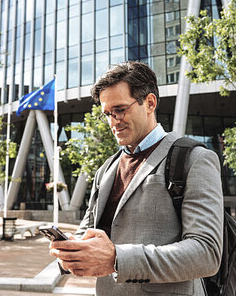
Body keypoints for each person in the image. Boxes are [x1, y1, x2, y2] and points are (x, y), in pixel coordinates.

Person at [50, 61, 223, 295]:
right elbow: (89, 230)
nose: (113, 121)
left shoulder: (195, 159)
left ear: (150, 102)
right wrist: (71, 252)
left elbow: (206, 253)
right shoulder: (106, 169)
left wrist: (117, 259)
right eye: (108, 114)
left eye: (120, 109)